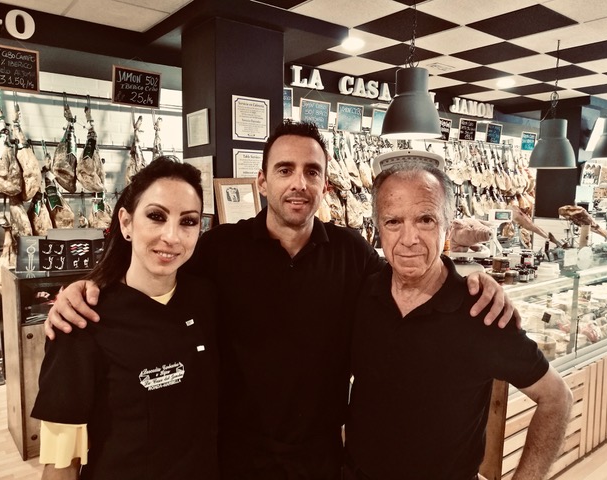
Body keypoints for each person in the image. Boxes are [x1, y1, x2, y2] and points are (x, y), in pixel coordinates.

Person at [46, 121, 516, 480]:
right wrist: (87, 287)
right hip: (231, 456)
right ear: (262, 183)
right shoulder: (220, 249)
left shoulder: (351, 251)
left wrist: (470, 278)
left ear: (325, 185)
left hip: (322, 456)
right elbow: (153, 270)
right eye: (285, 170)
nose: (299, 183)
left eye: (312, 171)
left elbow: (410, 282)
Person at [344, 162, 573, 480]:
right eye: (394, 221)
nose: (409, 238)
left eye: (425, 219)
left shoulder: (482, 311)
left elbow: (556, 397)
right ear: (378, 228)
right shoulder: (360, 295)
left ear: (448, 226)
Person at [31, 157, 218, 480]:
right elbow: (60, 464)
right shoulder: (82, 320)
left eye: (188, 222)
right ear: (126, 223)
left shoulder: (207, 300)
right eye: (156, 217)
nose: (172, 236)